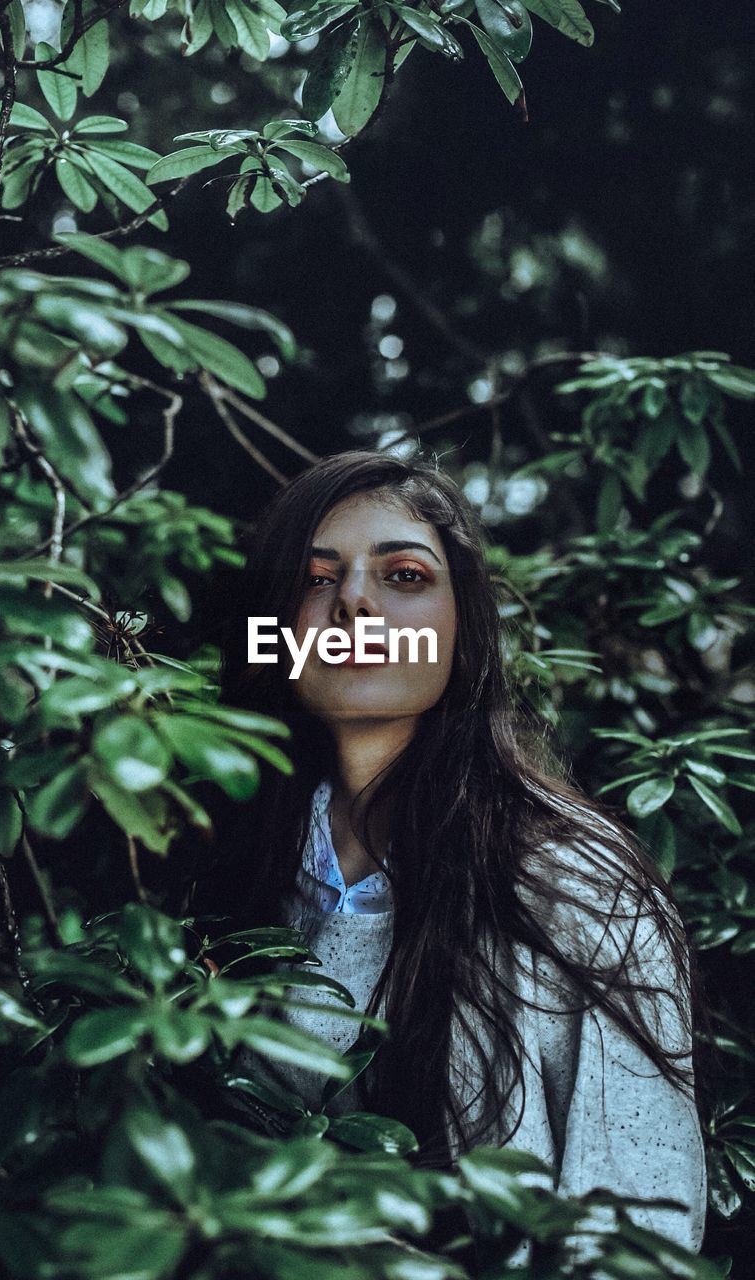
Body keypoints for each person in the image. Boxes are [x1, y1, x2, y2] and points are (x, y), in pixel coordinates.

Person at [199, 449, 706, 1252]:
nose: (355, 606)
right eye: (315, 579)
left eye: (403, 577)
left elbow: (638, 1220)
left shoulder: (573, 878)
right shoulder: (217, 861)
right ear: (270, 633)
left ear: (462, 628)